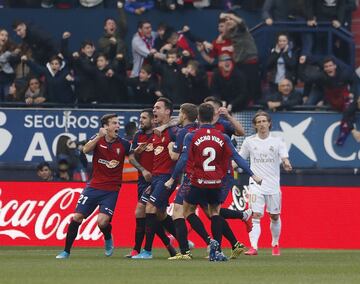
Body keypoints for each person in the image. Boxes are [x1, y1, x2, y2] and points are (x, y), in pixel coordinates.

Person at [165, 103, 262, 261]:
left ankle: (197, 247)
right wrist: (253, 174)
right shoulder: (222, 137)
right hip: (217, 181)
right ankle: (218, 251)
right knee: (215, 213)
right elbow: (237, 157)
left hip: (197, 181)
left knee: (187, 211)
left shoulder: (192, 135)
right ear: (213, 117)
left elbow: (183, 159)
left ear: (198, 117)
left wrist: (171, 179)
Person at [56, 113, 131, 259]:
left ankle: (108, 237)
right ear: (106, 127)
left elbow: (134, 156)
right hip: (93, 187)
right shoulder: (98, 139)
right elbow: (85, 150)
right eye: (114, 123)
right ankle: (66, 251)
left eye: (118, 123)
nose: (118, 126)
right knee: (77, 217)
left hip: (111, 190)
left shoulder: (124, 144)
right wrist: (98, 136)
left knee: (102, 222)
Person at [239, 111, 292, 256]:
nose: (262, 124)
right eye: (259, 122)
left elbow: (284, 157)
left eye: (264, 121)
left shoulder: (278, 141)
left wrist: (286, 164)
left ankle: (275, 243)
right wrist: (229, 166)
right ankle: (254, 247)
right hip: (256, 183)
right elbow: (241, 159)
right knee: (256, 215)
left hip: (273, 185)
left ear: (269, 123)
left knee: (274, 216)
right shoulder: (249, 141)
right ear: (255, 125)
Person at [132, 97, 179, 259]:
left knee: (150, 209)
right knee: (153, 212)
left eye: (158, 108)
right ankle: (183, 240)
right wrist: (138, 152)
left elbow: (181, 121)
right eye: (154, 108)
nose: (154, 110)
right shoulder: (156, 133)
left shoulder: (173, 131)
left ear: (167, 111)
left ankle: (147, 251)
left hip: (166, 178)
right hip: (155, 179)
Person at [167, 103, 198, 259]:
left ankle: (185, 251)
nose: (179, 115)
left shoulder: (184, 132)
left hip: (189, 177)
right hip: (206, 178)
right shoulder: (199, 129)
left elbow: (175, 157)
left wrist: (170, 146)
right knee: (205, 212)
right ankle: (213, 244)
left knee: (177, 212)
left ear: (184, 115)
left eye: (180, 113)